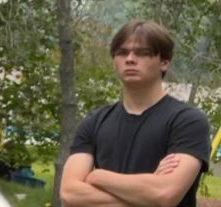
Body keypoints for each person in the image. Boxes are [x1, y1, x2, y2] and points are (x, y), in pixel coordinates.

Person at [60, 21, 212, 207]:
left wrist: (98, 176)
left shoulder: (187, 121)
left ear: (164, 62)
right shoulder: (94, 122)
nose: (130, 59)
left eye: (142, 53)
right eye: (122, 52)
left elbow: (165, 194)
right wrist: (146, 191)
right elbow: (69, 194)